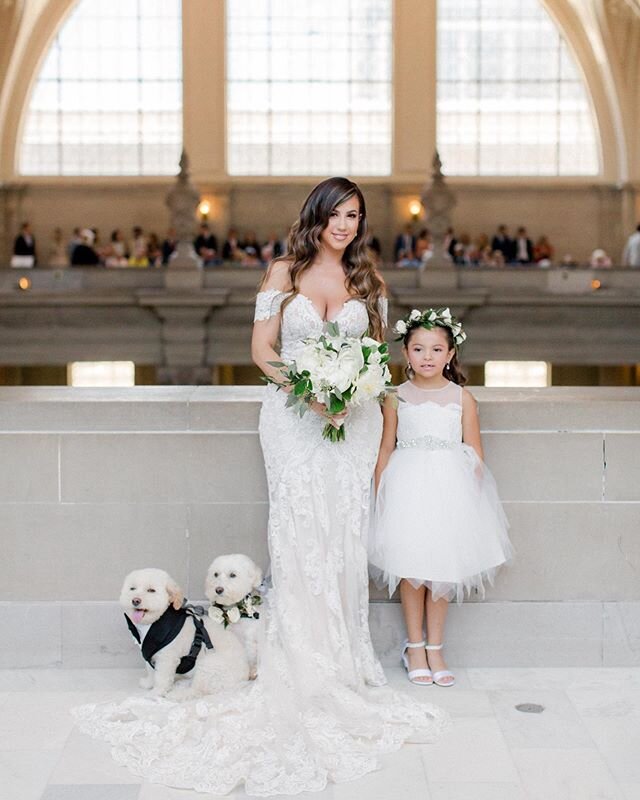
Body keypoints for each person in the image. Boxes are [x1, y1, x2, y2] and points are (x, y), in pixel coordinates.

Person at [73, 177, 447, 796]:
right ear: (317, 216)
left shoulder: (369, 283)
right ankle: (298, 658)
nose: (345, 225)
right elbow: (262, 349)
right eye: (336, 213)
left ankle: (345, 658)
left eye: (355, 215)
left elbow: (378, 359)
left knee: (343, 534)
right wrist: (311, 390)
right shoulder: (283, 272)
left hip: (353, 425)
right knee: (300, 531)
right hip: (293, 419)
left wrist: (351, 394)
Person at [369, 308, 513, 687]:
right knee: (412, 571)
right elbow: (386, 447)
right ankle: (414, 646)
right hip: (407, 489)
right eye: (419, 349)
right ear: (406, 354)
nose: (427, 356)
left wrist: (467, 497)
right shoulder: (395, 397)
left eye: (436, 349)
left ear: (450, 354)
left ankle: (436, 647)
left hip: (449, 490)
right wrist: (381, 491)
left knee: (442, 574)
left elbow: (475, 450)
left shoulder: (462, 398)